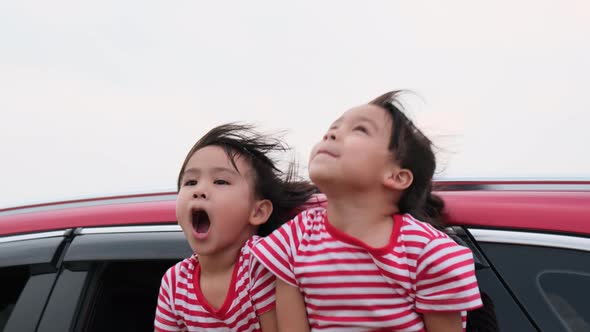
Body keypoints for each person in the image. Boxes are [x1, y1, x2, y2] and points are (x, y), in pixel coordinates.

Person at [252, 91, 483, 331]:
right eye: (334, 127)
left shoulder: (428, 252)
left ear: (396, 176)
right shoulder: (293, 240)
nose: (330, 133)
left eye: (360, 129)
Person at [154, 123, 317, 331]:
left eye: (220, 181)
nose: (199, 191)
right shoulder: (174, 282)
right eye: (191, 182)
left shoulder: (260, 266)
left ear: (257, 212)